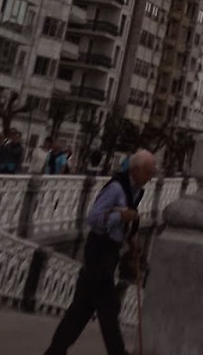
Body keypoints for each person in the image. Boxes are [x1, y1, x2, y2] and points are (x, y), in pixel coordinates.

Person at [41, 149, 156, 355]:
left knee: (83, 307)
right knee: (108, 306)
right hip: (99, 248)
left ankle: (56, 350)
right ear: (136, 170)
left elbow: (125, 222)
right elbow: (93, 218)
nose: (150, 177)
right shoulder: (116, 188)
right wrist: (119, 217)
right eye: (148, 172)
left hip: (111, 251)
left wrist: (131, 238)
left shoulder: (136, 191)